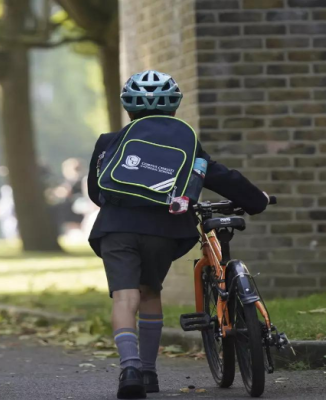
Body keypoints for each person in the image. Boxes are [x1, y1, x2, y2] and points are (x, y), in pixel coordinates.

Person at [86, 70, 269, 399]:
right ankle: (148, 373)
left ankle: (128, 370)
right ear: (174, 109)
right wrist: (257, 200)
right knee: (150, 293)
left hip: (116, 228)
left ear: (128, 109)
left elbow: (95, 193)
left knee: (125, 298)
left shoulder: (108, 141)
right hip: (164, 229)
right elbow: (219, 175)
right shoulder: (186, 141)